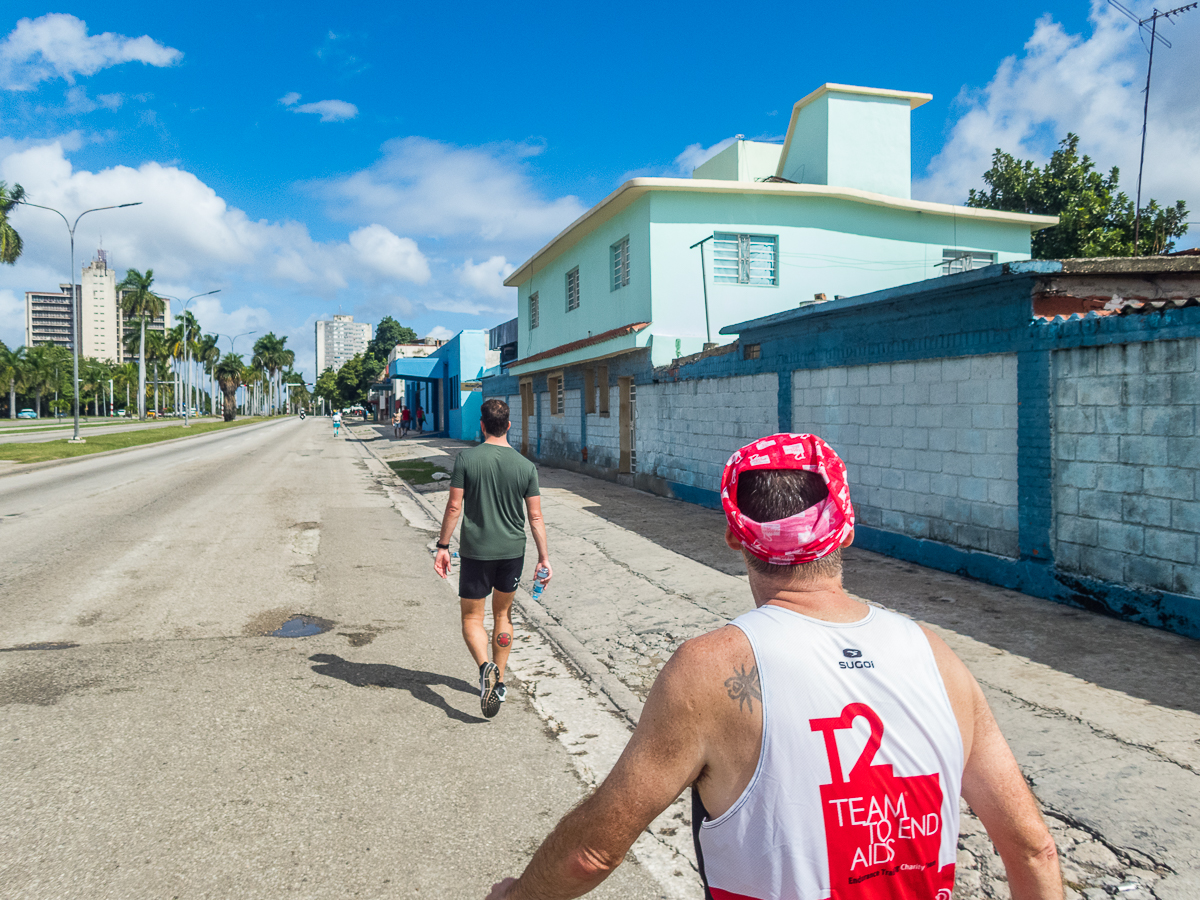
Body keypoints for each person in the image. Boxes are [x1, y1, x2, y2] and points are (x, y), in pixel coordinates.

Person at [486, 433, 1062, 900]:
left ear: (736, 538)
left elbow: (594, 853)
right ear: (847, 527)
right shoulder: (937, 657)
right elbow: (1033, 849)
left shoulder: (709, 670)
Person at [434, 398, 551, 719]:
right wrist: (544, 557)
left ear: (482, 425)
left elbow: (454, 507)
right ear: (508, 425)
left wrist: (443, 546)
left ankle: (485, 666)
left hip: (476, 552)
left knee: (473, 619)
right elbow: (536, 517)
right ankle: (498, 682)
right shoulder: (526, 467)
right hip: (512, 552)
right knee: (504, 616)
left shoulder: (466, 460)